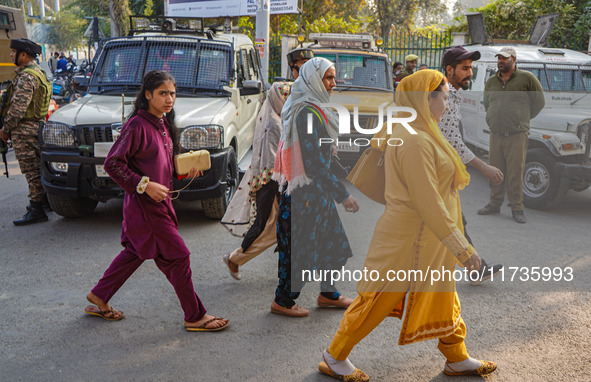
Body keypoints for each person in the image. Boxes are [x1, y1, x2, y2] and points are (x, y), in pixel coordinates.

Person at [319, 70, 497, 381]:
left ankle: (456, 357)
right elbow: (428, 203)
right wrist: (464, 250)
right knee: (378, 298)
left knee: (444, 295)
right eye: (444, 97)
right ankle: (334, 356)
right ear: (425, 99)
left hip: (428, 240)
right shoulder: (414, 139)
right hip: (408, 241)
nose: (448, 103)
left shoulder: (422, 130)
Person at [84, 70, 230, 332]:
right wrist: (144, 185)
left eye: (172, 93)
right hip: (146, 208)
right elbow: (112, 163)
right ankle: (194, 316)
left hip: (158, 205)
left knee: (136, 252)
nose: (169, 98)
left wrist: (184, 171)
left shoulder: (162, 123)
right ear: (148, 95)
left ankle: (99, 296)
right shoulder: (137, 125)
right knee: (179, 257)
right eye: (163, 93)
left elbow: (160, 163)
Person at [271, 57, 359, 317]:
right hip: (304, 197)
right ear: (312, 80)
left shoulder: (316, 108)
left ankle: (328, 294)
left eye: (334, 77)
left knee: (333, 244)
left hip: (317, 196)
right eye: (328, 78)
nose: (333, 83)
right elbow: (315, 166)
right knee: (300, 252)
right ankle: (283, 301)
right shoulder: (306, 113)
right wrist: (343, 195)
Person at [439, 46, 504, 285]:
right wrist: (483, 167)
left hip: (441, 173)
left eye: (471, 68)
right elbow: (452, 141)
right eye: (465, 68)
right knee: (448, 222)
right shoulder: (442, 97)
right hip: (433, 173)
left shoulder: (451, 94)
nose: (470, 73)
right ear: (449, 69)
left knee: (455, 221)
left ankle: (476, 269)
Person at [221, 81, 291, 280]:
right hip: (271, 183)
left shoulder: (276, 118)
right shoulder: (273, 123)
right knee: (266, 227)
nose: (286, 100)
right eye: (283, 96)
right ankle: (235, 258)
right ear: (276, 98)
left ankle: (238, 259)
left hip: (272, 182)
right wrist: (280, 185)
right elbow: (271, 160)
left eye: (287, 96)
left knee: (275, 227)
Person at [477, 47, 545, 223]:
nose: (500, 61)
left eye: (504, 58)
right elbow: (487, 103)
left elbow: (539, 102)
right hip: (496, 133)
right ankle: (494, 203)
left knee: (516, 171)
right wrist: (493, 118)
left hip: (517, 134)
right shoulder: (492, 81)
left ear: (514, 59)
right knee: (495, 171)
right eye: (499, 58)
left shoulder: (527, 78)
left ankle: (517, 208)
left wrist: (522, 119)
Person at [0, 38, 52, 225]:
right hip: (36, 127)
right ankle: (46, 201)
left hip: (24, 130)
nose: (11, 55)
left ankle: (36, 208)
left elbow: (17, 110)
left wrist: (5, 130)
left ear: (23, 55)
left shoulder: (26, 77)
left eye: (13, 52)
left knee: (30, 170)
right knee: (38, 166)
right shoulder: (39, 73)